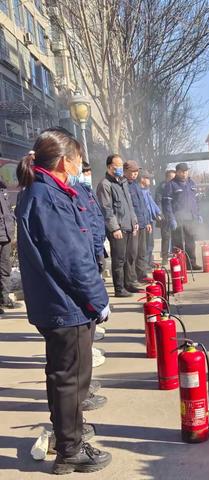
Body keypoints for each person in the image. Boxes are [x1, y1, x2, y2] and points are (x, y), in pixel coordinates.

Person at [15, 129, 111, 474]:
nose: (78, 166)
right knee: (69, 377)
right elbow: (70, 256)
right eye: (75, 158)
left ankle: (67, 433)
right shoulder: (46, 196)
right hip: (64, 303)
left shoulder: (49, 191)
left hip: (62, 301)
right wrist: (98, 298)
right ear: (62, 160)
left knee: (69, 375)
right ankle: (69, 450)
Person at [96, 155, 139, 297]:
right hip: (117, 229)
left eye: (121, 166)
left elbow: (129, 204)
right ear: (109, 167)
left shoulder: (123, 182)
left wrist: (134, 222)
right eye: (117, 166)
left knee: (129, 256)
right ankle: (119, 288)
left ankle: (129, 283)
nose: (120, 169)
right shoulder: (105, 184)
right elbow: (106, 209)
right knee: (119, 259)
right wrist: (114, 228)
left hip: (128, 225)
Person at [162, 163, 203, 270]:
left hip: (190, 217)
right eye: (182, 172)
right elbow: (166, 204)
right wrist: (171, 218)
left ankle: (191, 264)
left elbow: (196, 201)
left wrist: (198, 214)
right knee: (178, 243)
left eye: (186, 171)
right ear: (177, 172)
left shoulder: (191, 183)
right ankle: (180, 265)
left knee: (190, 242)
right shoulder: (171, 185)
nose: (184, 174)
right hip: (178, 219)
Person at [124, 160, 151, 282]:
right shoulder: (124, 185)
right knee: (132, 253)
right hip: (133, 225)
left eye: (136, 171)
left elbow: (142, 205)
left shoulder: (136, 185)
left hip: (142, 223)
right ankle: (132, 277)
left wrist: (147, 222)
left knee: (142, 251)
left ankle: (142, 275)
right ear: (125, 171)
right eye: (132, 171)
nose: (135, 174)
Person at [77, 165, 107, 273]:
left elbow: (98, 216)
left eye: (89, 173)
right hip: (91, 243)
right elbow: (90, 221)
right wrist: (98, 249)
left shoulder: (89, 191)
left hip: (98, 240)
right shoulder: (79, 194)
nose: (88, 176)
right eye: (85, 173)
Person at [0, 178, 20, 312]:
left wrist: (11, 231)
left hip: (5, 235)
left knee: (4, 268)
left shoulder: (3, 188)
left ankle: (4, 298)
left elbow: (9, 212)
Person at [140, 170, 162, 267]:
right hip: (144, 222)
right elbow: (143, 208)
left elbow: (151, 203)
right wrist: (146, 222)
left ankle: (149, 262)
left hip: (150, 220)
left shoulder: (146, 191)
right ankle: (144, 264)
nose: (150, 180)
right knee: (145, 245)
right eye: (148, 178)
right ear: (142, 179)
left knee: (150, 243)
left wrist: (158, 212)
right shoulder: (140, 192)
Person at [155, 169, 176, 266]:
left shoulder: (176, 186)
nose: (172, 179)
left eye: (174, 178)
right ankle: (164, 257)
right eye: (170, 177)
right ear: (166, 178)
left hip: (175, 215)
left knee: (176, 236)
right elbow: (158, 201)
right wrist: (160, 214)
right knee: (166, 237)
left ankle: (176, 255)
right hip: (165, 216)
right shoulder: (161, 188)